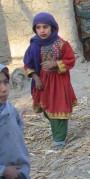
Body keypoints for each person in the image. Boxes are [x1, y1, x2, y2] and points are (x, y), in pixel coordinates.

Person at [23, 12, 77, 149]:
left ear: (52, 27)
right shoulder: (34, 45)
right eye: (38, 27)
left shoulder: (61, 44)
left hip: (59, 82)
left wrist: (55, 64)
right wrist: (36, 78)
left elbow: (70, 60)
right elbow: (27, 64)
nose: (42, 30)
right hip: (42, 83)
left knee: (59, 108)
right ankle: (58, 131)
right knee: (47, 109)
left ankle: (59, 139)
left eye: (45, 27)